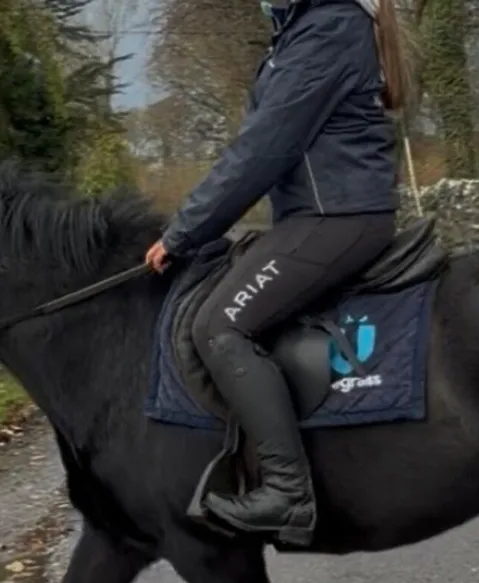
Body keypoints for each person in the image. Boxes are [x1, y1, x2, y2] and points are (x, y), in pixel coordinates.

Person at [145, 0, 411, 547]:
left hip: (337, 215)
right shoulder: (306, 27)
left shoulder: (330, 26)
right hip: (320, 213)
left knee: (220, 326)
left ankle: (289, 493)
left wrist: (184, 232)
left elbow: (264, 149)